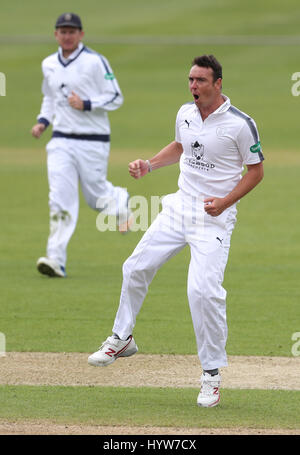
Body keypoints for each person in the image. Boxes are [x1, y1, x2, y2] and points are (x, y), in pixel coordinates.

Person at [88, 55, 264, 407]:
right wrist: (149, 165)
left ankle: (211, 375)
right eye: (190, 80)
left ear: (218, 83)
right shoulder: (185, 112)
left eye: (200, 80)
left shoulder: (241, 124)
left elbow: (256, 171)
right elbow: (181, 147)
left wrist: (226, 202)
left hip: (213, 217)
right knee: (135, 266)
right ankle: (121, 338)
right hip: (179, 207)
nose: (193, 86)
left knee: (202, 292)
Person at [31, 13, 130, 278]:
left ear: (81, 35)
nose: (67, 35)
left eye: (72, 31)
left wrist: (86, 104)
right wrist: (43, 122)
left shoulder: (95, 62)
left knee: (96, 199)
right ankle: (55, 259)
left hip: (93, 141)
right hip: (61, 140)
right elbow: (50, 97)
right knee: (59, 200)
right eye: (62, 31)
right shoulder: (49, 64)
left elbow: (115, 97)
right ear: (56, 35)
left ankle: (119, 200)